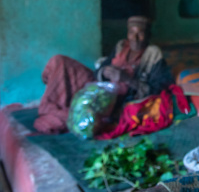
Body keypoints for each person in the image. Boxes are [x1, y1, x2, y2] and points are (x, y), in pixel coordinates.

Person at [34, 16, 173, 134]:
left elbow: (157, 89)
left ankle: (65, 115)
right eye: (132, 33)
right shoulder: (121, 46)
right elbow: (100, 70)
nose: (135, 38)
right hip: (100, 85)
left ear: (148, 35)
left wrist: (127, 79)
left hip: (116, 98)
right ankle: (53, 107)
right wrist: (104, 71)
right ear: (127, 33)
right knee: (60, 62)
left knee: (87, 114)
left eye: (141, 33)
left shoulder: (153, 54)